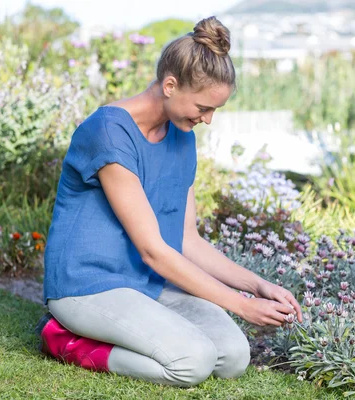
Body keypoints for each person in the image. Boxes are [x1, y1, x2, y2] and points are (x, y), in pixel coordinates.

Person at [35, 16, 303, 387]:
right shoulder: (108, 133)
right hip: (86, 286)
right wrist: (241, 306)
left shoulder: (182, 137)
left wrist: (257, 287)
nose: (208, 120)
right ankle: (63, 338)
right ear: (170, 85)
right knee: (192, 362)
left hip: (146, 284)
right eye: (203, 108)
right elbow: (154, 250)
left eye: (214, 111)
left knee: (233, 356)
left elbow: (187, 241)